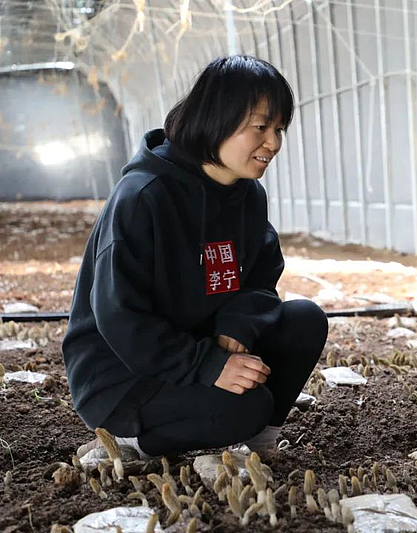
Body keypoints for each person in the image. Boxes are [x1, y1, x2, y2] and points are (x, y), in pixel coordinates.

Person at [62, 55, 328, 459]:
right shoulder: (144, 198)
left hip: (196, 344)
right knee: (247, 407)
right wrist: (207, 365)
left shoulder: (247, 195)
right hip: (122, 376)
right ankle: (128, 441)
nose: (273, 143)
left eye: (279, 129)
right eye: (260, 127)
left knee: (304, 320)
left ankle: (259, 440)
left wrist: (238, 322)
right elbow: (120, 317)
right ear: (217, 118)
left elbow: (261, 276)